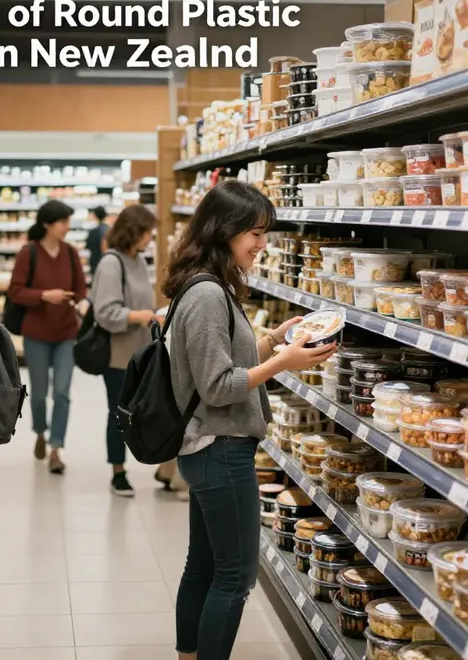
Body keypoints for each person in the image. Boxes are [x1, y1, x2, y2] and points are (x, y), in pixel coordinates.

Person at [163, 180, 337, 660]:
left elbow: (223, 365)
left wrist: (276, 340)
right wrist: (286, 363)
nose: (262, 245)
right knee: (235, 575)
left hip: (210, 448)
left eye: (265, 234)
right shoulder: (205, 295)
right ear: (224, 230)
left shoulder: (212, 285)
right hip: (219, 449)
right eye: (255, 233)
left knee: (203, 565)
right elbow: (218, 386)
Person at [8, 199, 87, 473]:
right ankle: (40, 432)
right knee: (40, 394)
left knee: (63, 392)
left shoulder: (71, 253)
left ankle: (56, 447)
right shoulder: (28, 254)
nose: (67, 227)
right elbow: (15, 292)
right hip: (36, 334)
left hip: (66, 333)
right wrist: (44, 295)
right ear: (47, 224)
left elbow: (80, 289)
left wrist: (81, 303)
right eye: (62, 222)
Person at [91, 203, 157, 497]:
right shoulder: (111, 263)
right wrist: (140, 316)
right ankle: (117, 471)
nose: (150, 239)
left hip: (141, 351)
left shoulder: (139, 261)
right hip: (117, 353)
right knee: (119, 413)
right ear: (134, 232)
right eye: (147, 232)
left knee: (141, 411)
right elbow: (104, 312)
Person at [86, 205, 109, 276]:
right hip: (107, 262)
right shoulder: (109, 229)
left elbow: (88, 245)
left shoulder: (94, 231)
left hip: (96, 262)